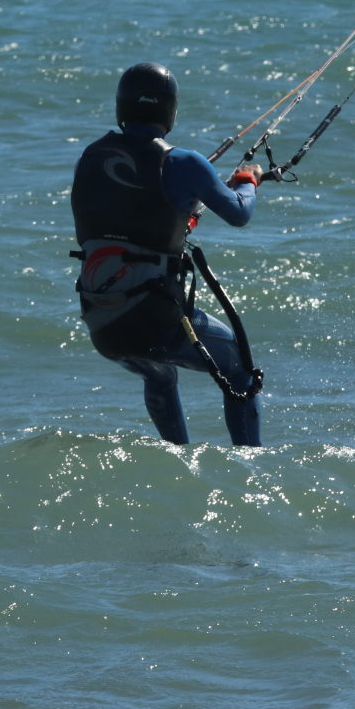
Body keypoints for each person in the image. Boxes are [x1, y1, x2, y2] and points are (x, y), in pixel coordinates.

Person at [71, 62, 264, 447]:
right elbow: (239, 213)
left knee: (160, 375)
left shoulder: (89, 158)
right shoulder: (182, 162)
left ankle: (179, 457)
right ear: (170, 110)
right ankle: (252, 465)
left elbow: (124, 220)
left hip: (102, 320)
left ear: (122, 107)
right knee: (240, 371)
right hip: (152, 318)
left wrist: (179, 221)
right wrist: (248, 181)